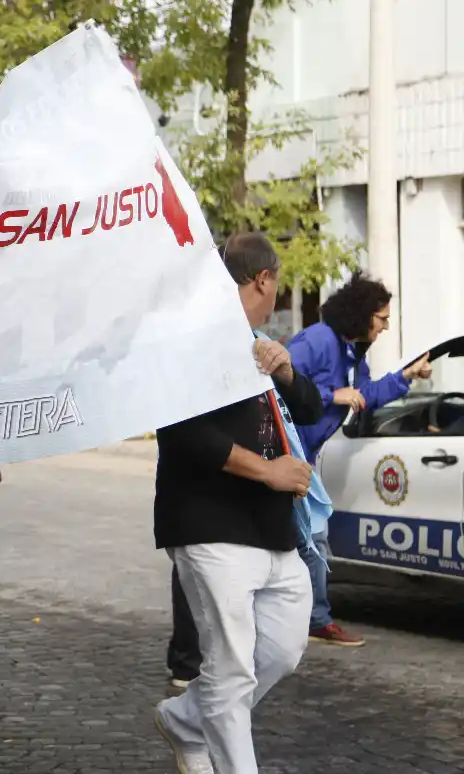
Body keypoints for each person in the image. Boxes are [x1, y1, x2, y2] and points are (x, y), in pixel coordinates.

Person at [154, 232, 322, 774]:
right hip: (211, 525)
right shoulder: (190, 338)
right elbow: (180, 431)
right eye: (279, 281)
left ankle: (185, 719)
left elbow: (311, 407)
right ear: (264, 279)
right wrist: (268, 471)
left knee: (281, 650)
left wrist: (285, 370)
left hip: (275, 530)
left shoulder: (256, 340)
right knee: (231, 672)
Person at [285, 273, 433, 647]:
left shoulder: (352, 354)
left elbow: (364, 395)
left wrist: (406, 376)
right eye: (382, 318)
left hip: (303, 457)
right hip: (284, 453)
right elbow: (278, 381)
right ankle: (312, 620)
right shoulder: (318, 340)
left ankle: (310, 619)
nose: (385, 326)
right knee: (310, 538)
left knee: (310, 537)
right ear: (363, 314)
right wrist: (332, 395)